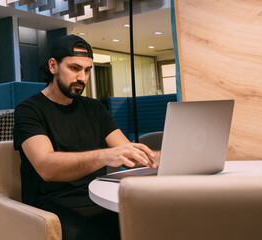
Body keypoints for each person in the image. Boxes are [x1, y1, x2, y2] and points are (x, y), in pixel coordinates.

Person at [13, 35, 157, 240]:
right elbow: (46, 166)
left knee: (155, 222)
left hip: (98, 197)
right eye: (75, 68)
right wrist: (106, 156)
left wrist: (174, 156)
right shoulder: (29, 110)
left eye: (87, 70)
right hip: (53, 206)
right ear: (53, 66)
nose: (83, 77)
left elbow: (131, 154)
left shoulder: (94, 108)